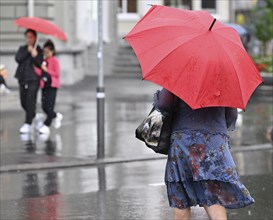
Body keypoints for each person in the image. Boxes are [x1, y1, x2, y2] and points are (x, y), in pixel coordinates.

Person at [153, 89, 254, 220]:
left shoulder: (181, 74)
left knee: (181, 200)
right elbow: (231, 116)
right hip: (213, 143)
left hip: (184, 141)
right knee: (214, 196)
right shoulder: (223, 80)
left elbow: (163, 105)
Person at [15, 29, 43, 133]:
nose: (29, 39)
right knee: (23, 102)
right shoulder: (23, 49)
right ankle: (35, 116)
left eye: (31, 37)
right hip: (22, 78)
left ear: (35, 38)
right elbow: (18, 59)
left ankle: (28, 123)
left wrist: (35, 55)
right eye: (27, 37)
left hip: (34, 79)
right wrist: (28, 51)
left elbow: (40, 63)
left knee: (31, 101)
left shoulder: (39, 50)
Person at [35, 39, 63, 134]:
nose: (46, 54)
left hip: (52, 86)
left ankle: (46, 125)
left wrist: (47, 70)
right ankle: (56, 116)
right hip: (44, 86)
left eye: (48, 52)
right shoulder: (44, 61)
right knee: (44, 106)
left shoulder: (55, 61)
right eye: (44, 52)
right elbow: (39, 73)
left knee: (50, 106)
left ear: (52, 51)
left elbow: (56, 74)